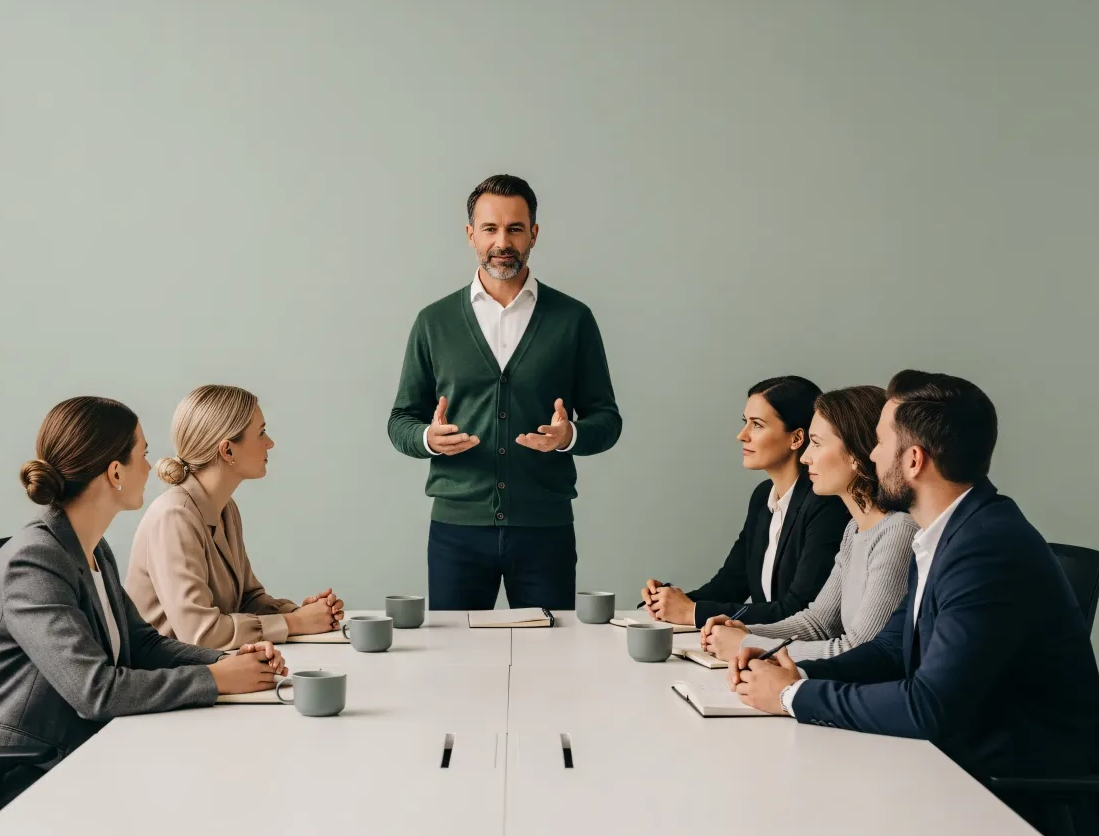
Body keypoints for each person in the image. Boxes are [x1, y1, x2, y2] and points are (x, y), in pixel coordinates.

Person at [730, 371, 1099, 836]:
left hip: (1016, 789)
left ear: (913, 460)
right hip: (961, 759)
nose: (870, 453)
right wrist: (794, 672)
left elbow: (928, 706)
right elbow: (889, 649)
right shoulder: (944, 533)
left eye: (880, 442)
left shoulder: (986, 546)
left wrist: (790, 697)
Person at [0, 397, 284, 836]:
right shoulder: (33, 560)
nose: (153, 467)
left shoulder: (93, 548)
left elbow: (143, 645)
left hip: (69, 758)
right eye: (144, 454)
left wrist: (225, 664)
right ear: (115, 473)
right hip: (9, 784)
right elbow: (94, 691)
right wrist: (218, 681)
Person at [387, 174, 622, 610]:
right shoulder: (433, 322)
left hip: (545, 529)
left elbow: (607, 420)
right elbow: (400, 419)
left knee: (550, 659)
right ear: (470, 234)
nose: (502, 241)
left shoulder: (572, 319)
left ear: (534, 233)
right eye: (490, 229)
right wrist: (427, 439)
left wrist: (568, 436)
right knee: (453, 663)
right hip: (456, 530)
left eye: (515, 228)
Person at [702, 385, 916, 662]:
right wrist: (743, 630)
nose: (805, 457)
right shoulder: (855, 530)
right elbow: (818, 623)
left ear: (855, 452)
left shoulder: (898, 532)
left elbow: (857, 651)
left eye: (815, 443)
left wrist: (748, 644)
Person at [126, 385, 343, 650]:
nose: (270, 443)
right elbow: (201, 633)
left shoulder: (225, 508)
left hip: (209, 668)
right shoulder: (175, 517)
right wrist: (295, 623)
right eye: (261, 432)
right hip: (173, 679)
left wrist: (300, 613)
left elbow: (247, 599)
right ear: (228, 451)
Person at [641, 376, 849, 628]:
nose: (742, 435)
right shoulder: (763, 497)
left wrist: (692, 612)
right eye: (745, 422)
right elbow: (730, 584)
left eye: (757, 425)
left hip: (797, 655)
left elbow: (799, 609)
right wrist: (670, 600)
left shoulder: (826, 504)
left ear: (796, 438)